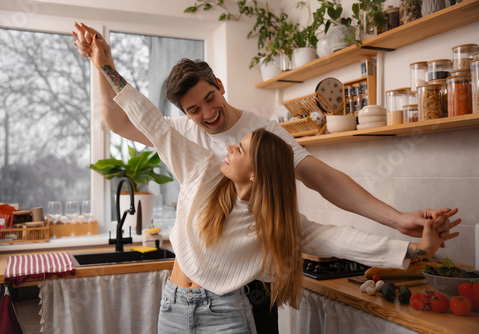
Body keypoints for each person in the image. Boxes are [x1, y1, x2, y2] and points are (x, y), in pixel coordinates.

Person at [80, 30, 461, 334]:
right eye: (194, 110)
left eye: (210, 99)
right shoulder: (202, 167)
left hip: (237, 304)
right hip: (175, 303)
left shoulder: (267, 171)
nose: (207, 115)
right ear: (184, 112)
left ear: (220, 84)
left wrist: (408, 239)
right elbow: (134, 119)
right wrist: (102, 65)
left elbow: (330, 204)